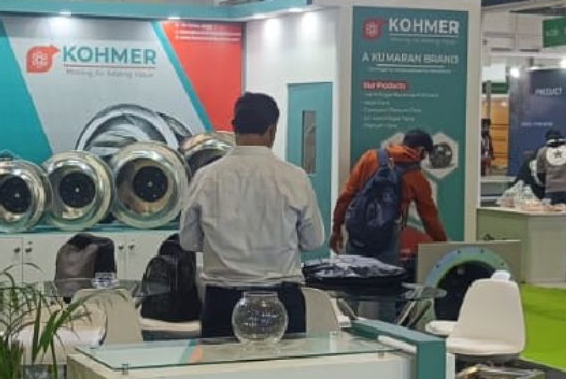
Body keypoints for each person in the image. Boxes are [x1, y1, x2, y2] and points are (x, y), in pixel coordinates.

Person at [180, 92, 325, 339]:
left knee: (221, 363)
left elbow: (187, 241)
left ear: (234, 127)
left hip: (222, 301)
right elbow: (313, 240)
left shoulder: (206, 177)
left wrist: (222, 245)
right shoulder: (294, 177)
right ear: (272, 130)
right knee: (285, 364)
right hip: (281, 300)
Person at [330, 130, 448, 263]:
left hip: (358, 231)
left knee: (354, 272)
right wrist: (443, 244)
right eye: (424, 155)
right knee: (386, 274)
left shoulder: (370, 157)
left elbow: (347, 195)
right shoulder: (416, 176)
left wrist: (336, 229)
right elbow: (429, 217)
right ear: (420, 150)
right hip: (387, 236)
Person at [533, 128, 566, 206]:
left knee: (551, 212)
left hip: (551, 190)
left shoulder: (542, 152)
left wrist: (549, 182)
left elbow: (540, 174)